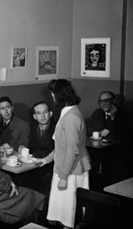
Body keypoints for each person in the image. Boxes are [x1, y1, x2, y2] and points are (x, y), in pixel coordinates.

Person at [37, 79, 91, 229]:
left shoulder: (71, 117)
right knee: (63, 215)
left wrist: (63, 177)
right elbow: (61, 146)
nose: (52, 97)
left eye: (53, 94)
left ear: (58, 95)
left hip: (71, 171)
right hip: (65, 168)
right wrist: (46, 160)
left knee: (69, 216)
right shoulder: (68, 111)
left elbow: (72, 151)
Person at [87, 91, 133, 182]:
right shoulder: (97, 113)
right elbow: (88, 129)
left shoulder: (124, 115)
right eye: (101, 101)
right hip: (99, 151)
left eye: (106, 100)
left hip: (117, 152)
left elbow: (119, 136)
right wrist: (99, 133)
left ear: (113, 101)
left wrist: (113, 118)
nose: (104, 104)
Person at [27, 101, 56, 199]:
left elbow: (54, 150)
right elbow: (31, 146)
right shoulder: (33, 127)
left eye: (45, 112)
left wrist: (34, 154)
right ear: (35, 116)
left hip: (52, 168)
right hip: (36, 167)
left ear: (50, 114)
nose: (42, 116)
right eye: (39, 113)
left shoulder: (57, 127)